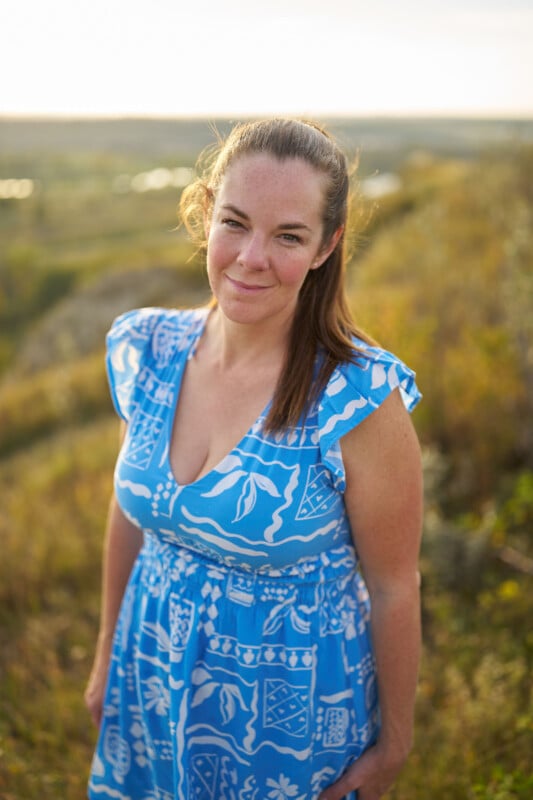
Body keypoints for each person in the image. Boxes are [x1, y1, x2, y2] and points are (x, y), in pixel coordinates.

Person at [85, 118, 423, 800]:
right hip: (148, 674)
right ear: (206, 214)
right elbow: (132, 517)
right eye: (235, 223)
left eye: (288, 235)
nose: (250, 257)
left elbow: (394, 587)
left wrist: (395, 745)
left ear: (326, 245)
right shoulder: (146, 350)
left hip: (284, 718)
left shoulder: (356, 398)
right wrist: (104, 661)